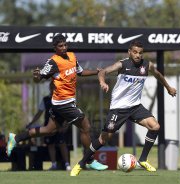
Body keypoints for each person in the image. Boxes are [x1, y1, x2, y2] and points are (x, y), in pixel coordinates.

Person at [70, 40, 177, 176]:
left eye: (140, 53)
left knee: (155, 126)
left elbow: (158, 74)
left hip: (135, 106)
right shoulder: (122, 64)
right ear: (129, 52)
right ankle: (81, 163)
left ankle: (143, 160)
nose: (138, 55)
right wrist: (102, 82)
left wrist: (168, 88)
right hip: (118, 108)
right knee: (104, 139)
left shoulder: (147, 65)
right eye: (135, 52)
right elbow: (103, 71)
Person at [6, 34, 108, 171]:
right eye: (60, 46)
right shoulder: (53, 62)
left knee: (48, 130)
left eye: (65, 44)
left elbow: (81, 72)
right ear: (55, 48)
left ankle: (16, 138)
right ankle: (89, 159)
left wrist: (96, 71)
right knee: (86, 126)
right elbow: (40, 76)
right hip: (62, 103)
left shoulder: (72, 56)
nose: (64, 48)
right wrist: (36, 76)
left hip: (64, 102)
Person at [26, 82, 71, 170]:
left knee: (62, 144)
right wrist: (31, 123)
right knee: (51, 145)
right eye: (51, 87)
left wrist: (65, 125)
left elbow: (67, 113)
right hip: (48, 127)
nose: (53, 88)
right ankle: (53, 164)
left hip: (59, 126)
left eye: (54, 86)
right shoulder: (45, 99)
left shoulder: (62, 98)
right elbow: (39, 113)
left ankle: (67, 165)